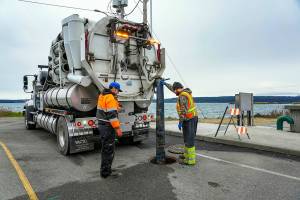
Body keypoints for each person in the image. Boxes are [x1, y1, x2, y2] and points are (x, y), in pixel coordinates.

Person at [163, 81, 198, 165]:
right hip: (190, 118)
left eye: (175, 90)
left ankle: (190, 160)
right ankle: (186, 155)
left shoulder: (182, 96)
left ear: (178, 89)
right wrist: (165, 84)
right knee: (186, 138)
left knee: (189, 139)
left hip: (189, 119)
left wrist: (180, 122)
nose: (174, 92)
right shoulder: (184, 92)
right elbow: (173, 88)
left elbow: (183, 111)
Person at [97, 82, 123, 178]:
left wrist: (117, 107)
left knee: (106, 149)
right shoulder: (110, 97)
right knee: (108, 149)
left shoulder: (103, 95)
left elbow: (107, 108)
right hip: (108, 126)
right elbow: (112, 116)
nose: (118, 93)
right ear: (114, 89)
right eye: (117, 91)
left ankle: (106, 169)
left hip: (103, 125)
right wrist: (117, 128)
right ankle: (105, 173)